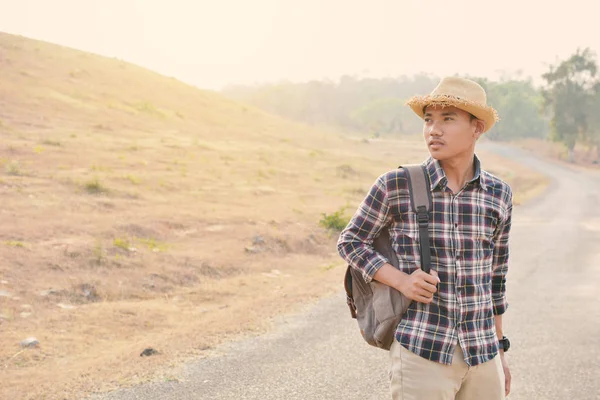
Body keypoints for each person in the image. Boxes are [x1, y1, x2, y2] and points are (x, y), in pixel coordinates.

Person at [337, 76, 512, 399]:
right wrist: (401, 281)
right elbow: (350, 242)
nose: (434, 129)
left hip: (483, 352)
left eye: (448, 119)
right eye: (429, 120)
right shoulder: (397, 184)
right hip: (422, 348)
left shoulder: (498, 194)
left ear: (477, 129)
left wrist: (500, 350)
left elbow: (496, 279)